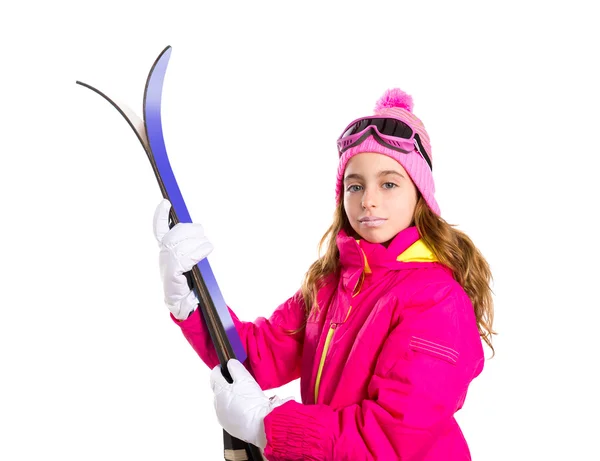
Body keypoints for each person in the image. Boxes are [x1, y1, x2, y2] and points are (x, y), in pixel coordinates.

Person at [152, 88, 495, 460]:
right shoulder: (332, 284)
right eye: (355, 185)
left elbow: (392, 437)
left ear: (420, 194)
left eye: (389, 183)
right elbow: (256, 356)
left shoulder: (437, 301)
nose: (368, 199)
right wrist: (191, 299)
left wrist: (266, 425)